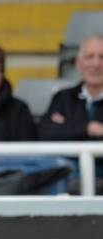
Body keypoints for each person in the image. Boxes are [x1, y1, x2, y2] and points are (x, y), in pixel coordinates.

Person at [39, 34, 103, 193]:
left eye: (102, 57)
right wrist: (89, 128)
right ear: (79, 64)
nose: (96, 64)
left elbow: (59, 133)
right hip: (67, 176)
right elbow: (45, 134)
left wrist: (68, 128)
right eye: (90, 57)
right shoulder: (63, 97)